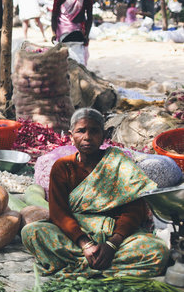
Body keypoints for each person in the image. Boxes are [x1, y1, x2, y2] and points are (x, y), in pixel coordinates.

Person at [22, 108, 168, 278]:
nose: (87, 137)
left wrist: (112, 244)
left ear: (104, 135)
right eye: (81, 131)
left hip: (115, 235)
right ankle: (103, 266)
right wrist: (85, 244)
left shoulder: (118, 162)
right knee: (31, 232)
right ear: (71, 136)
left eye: (94, 131)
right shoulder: (62, 167)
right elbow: (59, 213)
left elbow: (135, 208)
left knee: (158, 251)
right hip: (77, 236)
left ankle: (76, 265)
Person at [51, 0, 93, 64]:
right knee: (63, 62)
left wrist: (87, 34)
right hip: (62, 34)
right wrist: (54, 33)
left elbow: (90, 17)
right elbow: (54, 16)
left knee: (78, 61)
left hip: (78, 35)